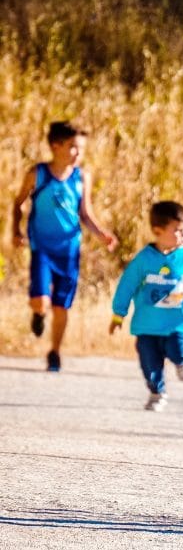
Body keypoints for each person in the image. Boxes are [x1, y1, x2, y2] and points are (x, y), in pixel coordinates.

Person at [11, 120, 118, 372]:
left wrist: (102, 233)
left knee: (62, 305)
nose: (78, 153)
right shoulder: (38, 174)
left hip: (69, 251)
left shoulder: (82, 177)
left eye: (81, 148)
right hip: (42, 249)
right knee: (40, 301)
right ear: (55, 146)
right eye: (73, 147)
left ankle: (55, 352)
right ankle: (38, 315)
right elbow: (18, 204)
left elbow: (85, 213)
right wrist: (15, 230)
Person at [109, 201, 183, 412]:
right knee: (149, 364)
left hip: (178, 325)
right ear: (157, 231)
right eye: (177, 231)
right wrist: (118, 315)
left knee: (178, 351)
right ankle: (157, 393)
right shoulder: (143, 259)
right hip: (146, 326)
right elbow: (126, 286)